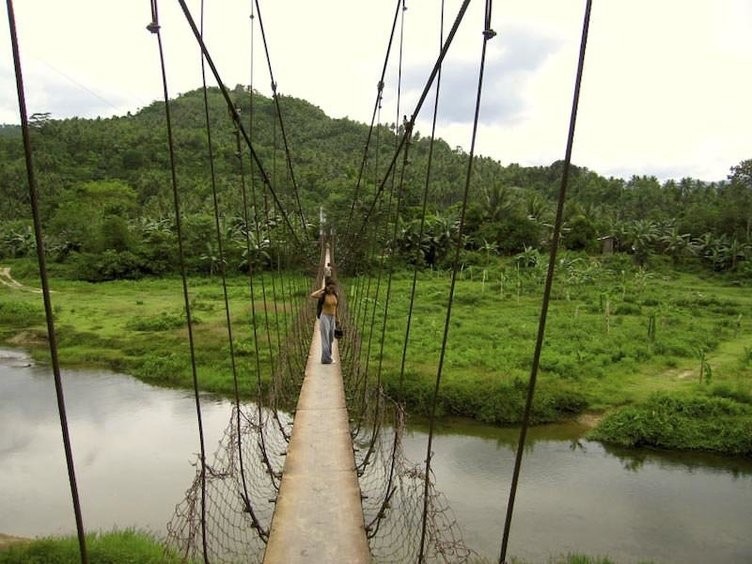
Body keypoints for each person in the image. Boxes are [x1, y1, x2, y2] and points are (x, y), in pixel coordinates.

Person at [310, 282, 338, 364]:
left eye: (333, 288)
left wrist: (337, 318)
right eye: (330, 288)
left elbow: (336, 307)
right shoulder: (323, 295)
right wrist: (322, 289)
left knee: (331, 337)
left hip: (332, 317)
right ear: (327, 287)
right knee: (325, 337)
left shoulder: (336, 295)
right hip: (324, 317)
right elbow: (312, 295)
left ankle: (327, 356)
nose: (331, 289)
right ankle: (326, 359)